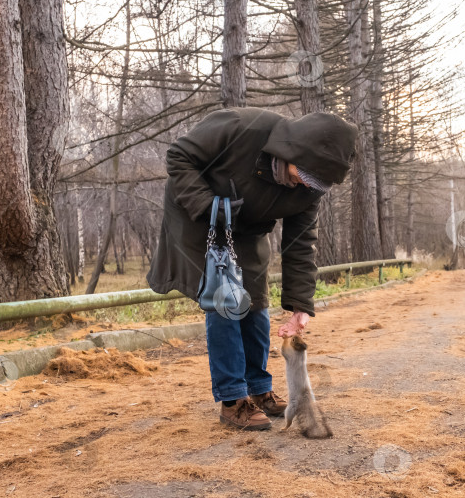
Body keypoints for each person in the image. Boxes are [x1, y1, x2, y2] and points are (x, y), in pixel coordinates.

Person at [147, 107, 357, 431]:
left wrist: (301, 305)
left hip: (248, 229)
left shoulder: (309, 190)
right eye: (304, 173)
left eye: (314, 182)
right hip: (199, 216)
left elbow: (300, 244)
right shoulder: (241, 127)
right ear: (293, 150)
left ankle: (258, 388)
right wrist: (207, 205)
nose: (304, 183)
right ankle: (232, 399)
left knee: (256, 303)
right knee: (226, 303)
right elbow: (178, 156)